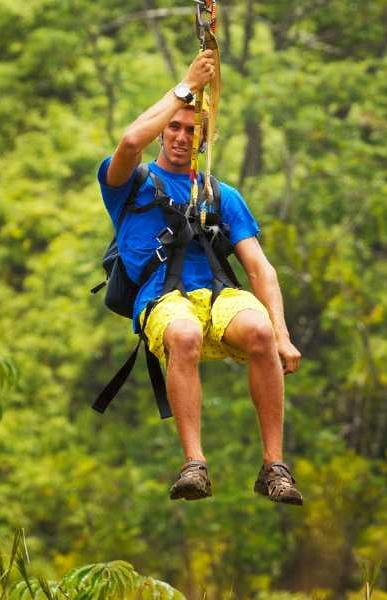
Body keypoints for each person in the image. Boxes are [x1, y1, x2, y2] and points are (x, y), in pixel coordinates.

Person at [97, 50, 304, 505]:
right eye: (174, 126)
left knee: (259, 330)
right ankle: (195, 463)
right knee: (185, 334)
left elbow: (258, 266)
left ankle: (274, 466)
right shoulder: (131, 183)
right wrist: (186, 87)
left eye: (192, 130)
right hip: (162, 300)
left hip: (216, 293)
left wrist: (283, 335)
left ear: (204, 140)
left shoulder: (219, 194)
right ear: (163, 130)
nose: (180, 136)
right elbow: (130, 141)